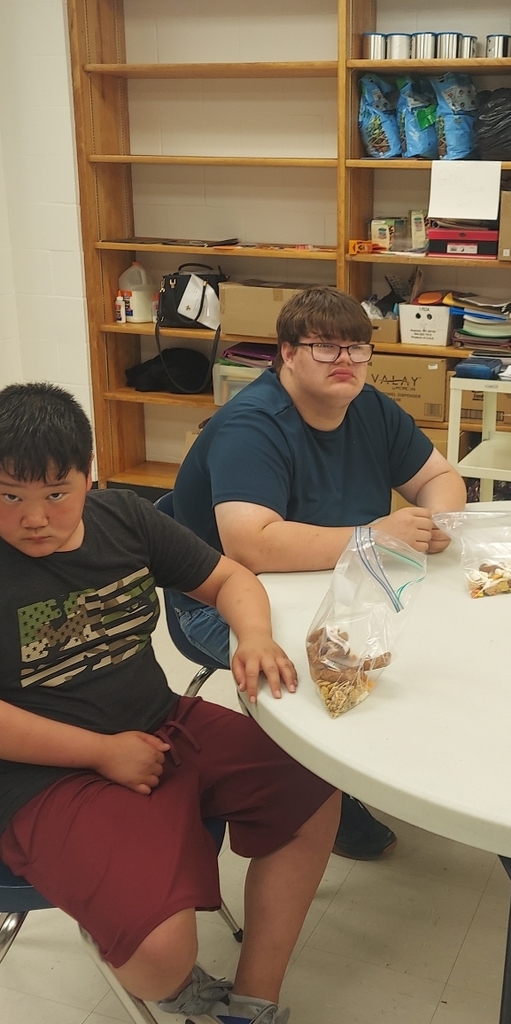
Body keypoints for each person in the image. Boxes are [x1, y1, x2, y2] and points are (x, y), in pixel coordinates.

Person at [0, 382, 340, 1024]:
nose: (34, 517)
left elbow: (230, 577)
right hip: (44, 777)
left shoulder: (121, 518)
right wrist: (101, 752)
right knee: (159, 962)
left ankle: (253, 999)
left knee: (315, 783)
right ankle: (175, 974)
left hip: (159, 727)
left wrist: (255, 636)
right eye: (9, 496)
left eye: (55, 494)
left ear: (88, 478)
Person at [172, 286, 467, 860]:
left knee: (433, 642)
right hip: (224, 603)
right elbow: (249, 545)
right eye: (325, 349)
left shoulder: (370, 408)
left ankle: (384, 767)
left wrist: (435, 520)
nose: (347, 363)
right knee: (322, 667)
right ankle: (320, 791)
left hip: (330, 577)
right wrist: (376, 535)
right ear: (286, 353)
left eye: (357, 349)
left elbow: (439, 476)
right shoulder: (251, 426)